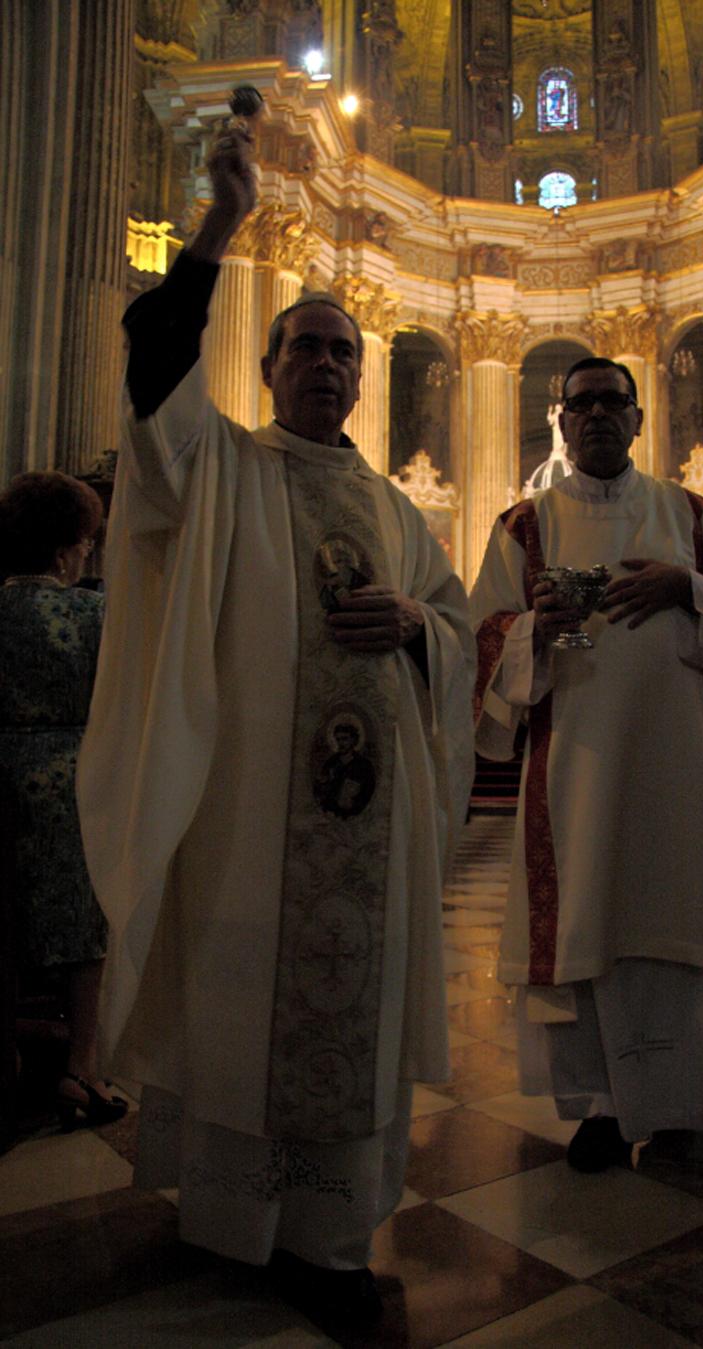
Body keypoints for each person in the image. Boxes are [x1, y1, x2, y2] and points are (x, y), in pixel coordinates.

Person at [76, 126, 475, 1326]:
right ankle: (233, 1221)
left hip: (372, 825)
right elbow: (151, 363)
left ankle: (330, 1242)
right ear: (266, 366)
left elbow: (460, 638)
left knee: (340, 1017)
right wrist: (218, 226)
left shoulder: (400, 514)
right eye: (303, 345)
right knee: (241, 996)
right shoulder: (220, 469)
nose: (326, 364)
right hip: (249, 812)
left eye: (343, 352)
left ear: (364, 377)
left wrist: (415, 621)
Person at [470, 356, 703, 1170]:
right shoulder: (522, 527)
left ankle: (676, 1105)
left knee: (672, 929)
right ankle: (599, 1105)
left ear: (638, 420)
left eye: (613, 402)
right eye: (581, 403)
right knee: (586, 927)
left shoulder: (695, 518)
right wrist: (533, 623)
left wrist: (689, 589)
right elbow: (482, 634)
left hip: (676, 771)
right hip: (575, 778)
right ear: (559, 422)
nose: (597, 414)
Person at [0, 471, 126, 1130]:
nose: (87, 555)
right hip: (70, 778)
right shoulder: (90, 612)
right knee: (83, 929)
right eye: (86, 542)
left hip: (3, 771)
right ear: (62, 550)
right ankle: (82, 1066)